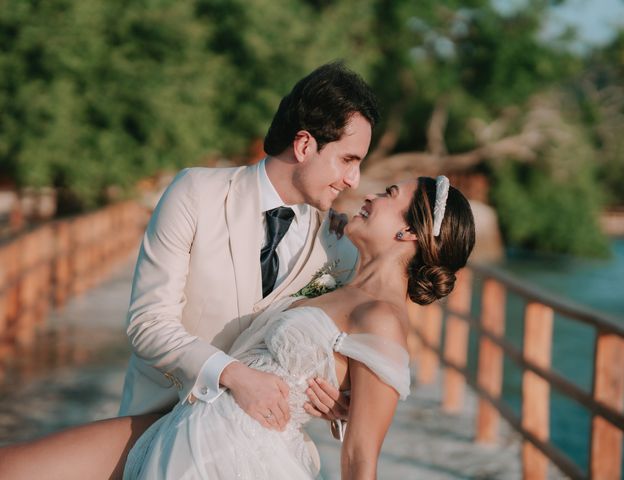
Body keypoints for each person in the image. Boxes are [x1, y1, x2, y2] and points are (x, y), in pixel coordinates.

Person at [0, 62, 378, 479]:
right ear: (305, 145)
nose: (353, 180)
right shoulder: (196, 193)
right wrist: (233, 375)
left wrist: (335, 405)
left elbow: (330, 353)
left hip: (253, 447)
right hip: (158, 420)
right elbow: (148, 322)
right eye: (347, 159)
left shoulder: (336, 247)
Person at [123, 176, 476, 479]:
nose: (370, 194)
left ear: (409, 231)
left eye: (389, 193)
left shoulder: (382, 318)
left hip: (236, 451)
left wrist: (348, 406)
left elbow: (360, 456)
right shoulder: (345, 280)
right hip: (193, 418)